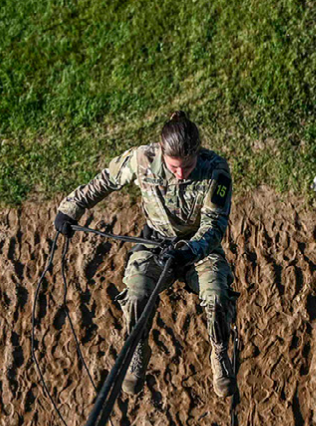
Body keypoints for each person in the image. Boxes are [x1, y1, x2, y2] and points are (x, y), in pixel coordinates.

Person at [54, 111, 236, 398]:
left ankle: (220, 352)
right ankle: (137, 348)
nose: (180, 174)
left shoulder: (216, 171)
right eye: (174, 167)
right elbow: (105, 181)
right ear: (161, 151)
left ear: (198, 154)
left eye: (187, 167)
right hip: (155, 243)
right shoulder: (142, 159)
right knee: (136, 294)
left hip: (198, 247)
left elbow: (215, 225)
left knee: (217, 296)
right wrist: (71, 208)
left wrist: (189, 251)